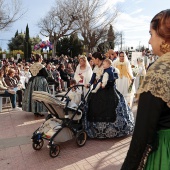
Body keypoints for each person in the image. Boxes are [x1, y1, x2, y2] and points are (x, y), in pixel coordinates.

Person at [121, 9, 170, 170]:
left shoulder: (159, 70)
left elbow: (142, 134)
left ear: (164, 36)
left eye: (151, 34)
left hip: (165, 151)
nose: (149, 41)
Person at [84, 52, 134, 138]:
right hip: (98, 89)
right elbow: (93, 77)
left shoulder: (106, 65)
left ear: (97, 59)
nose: (92, 61)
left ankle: (112, 130)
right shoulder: (96, 67)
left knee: (111, 105)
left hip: (108, 89)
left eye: (93, 59)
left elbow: (112, 76)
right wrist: (89, 83)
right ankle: (95, 130)